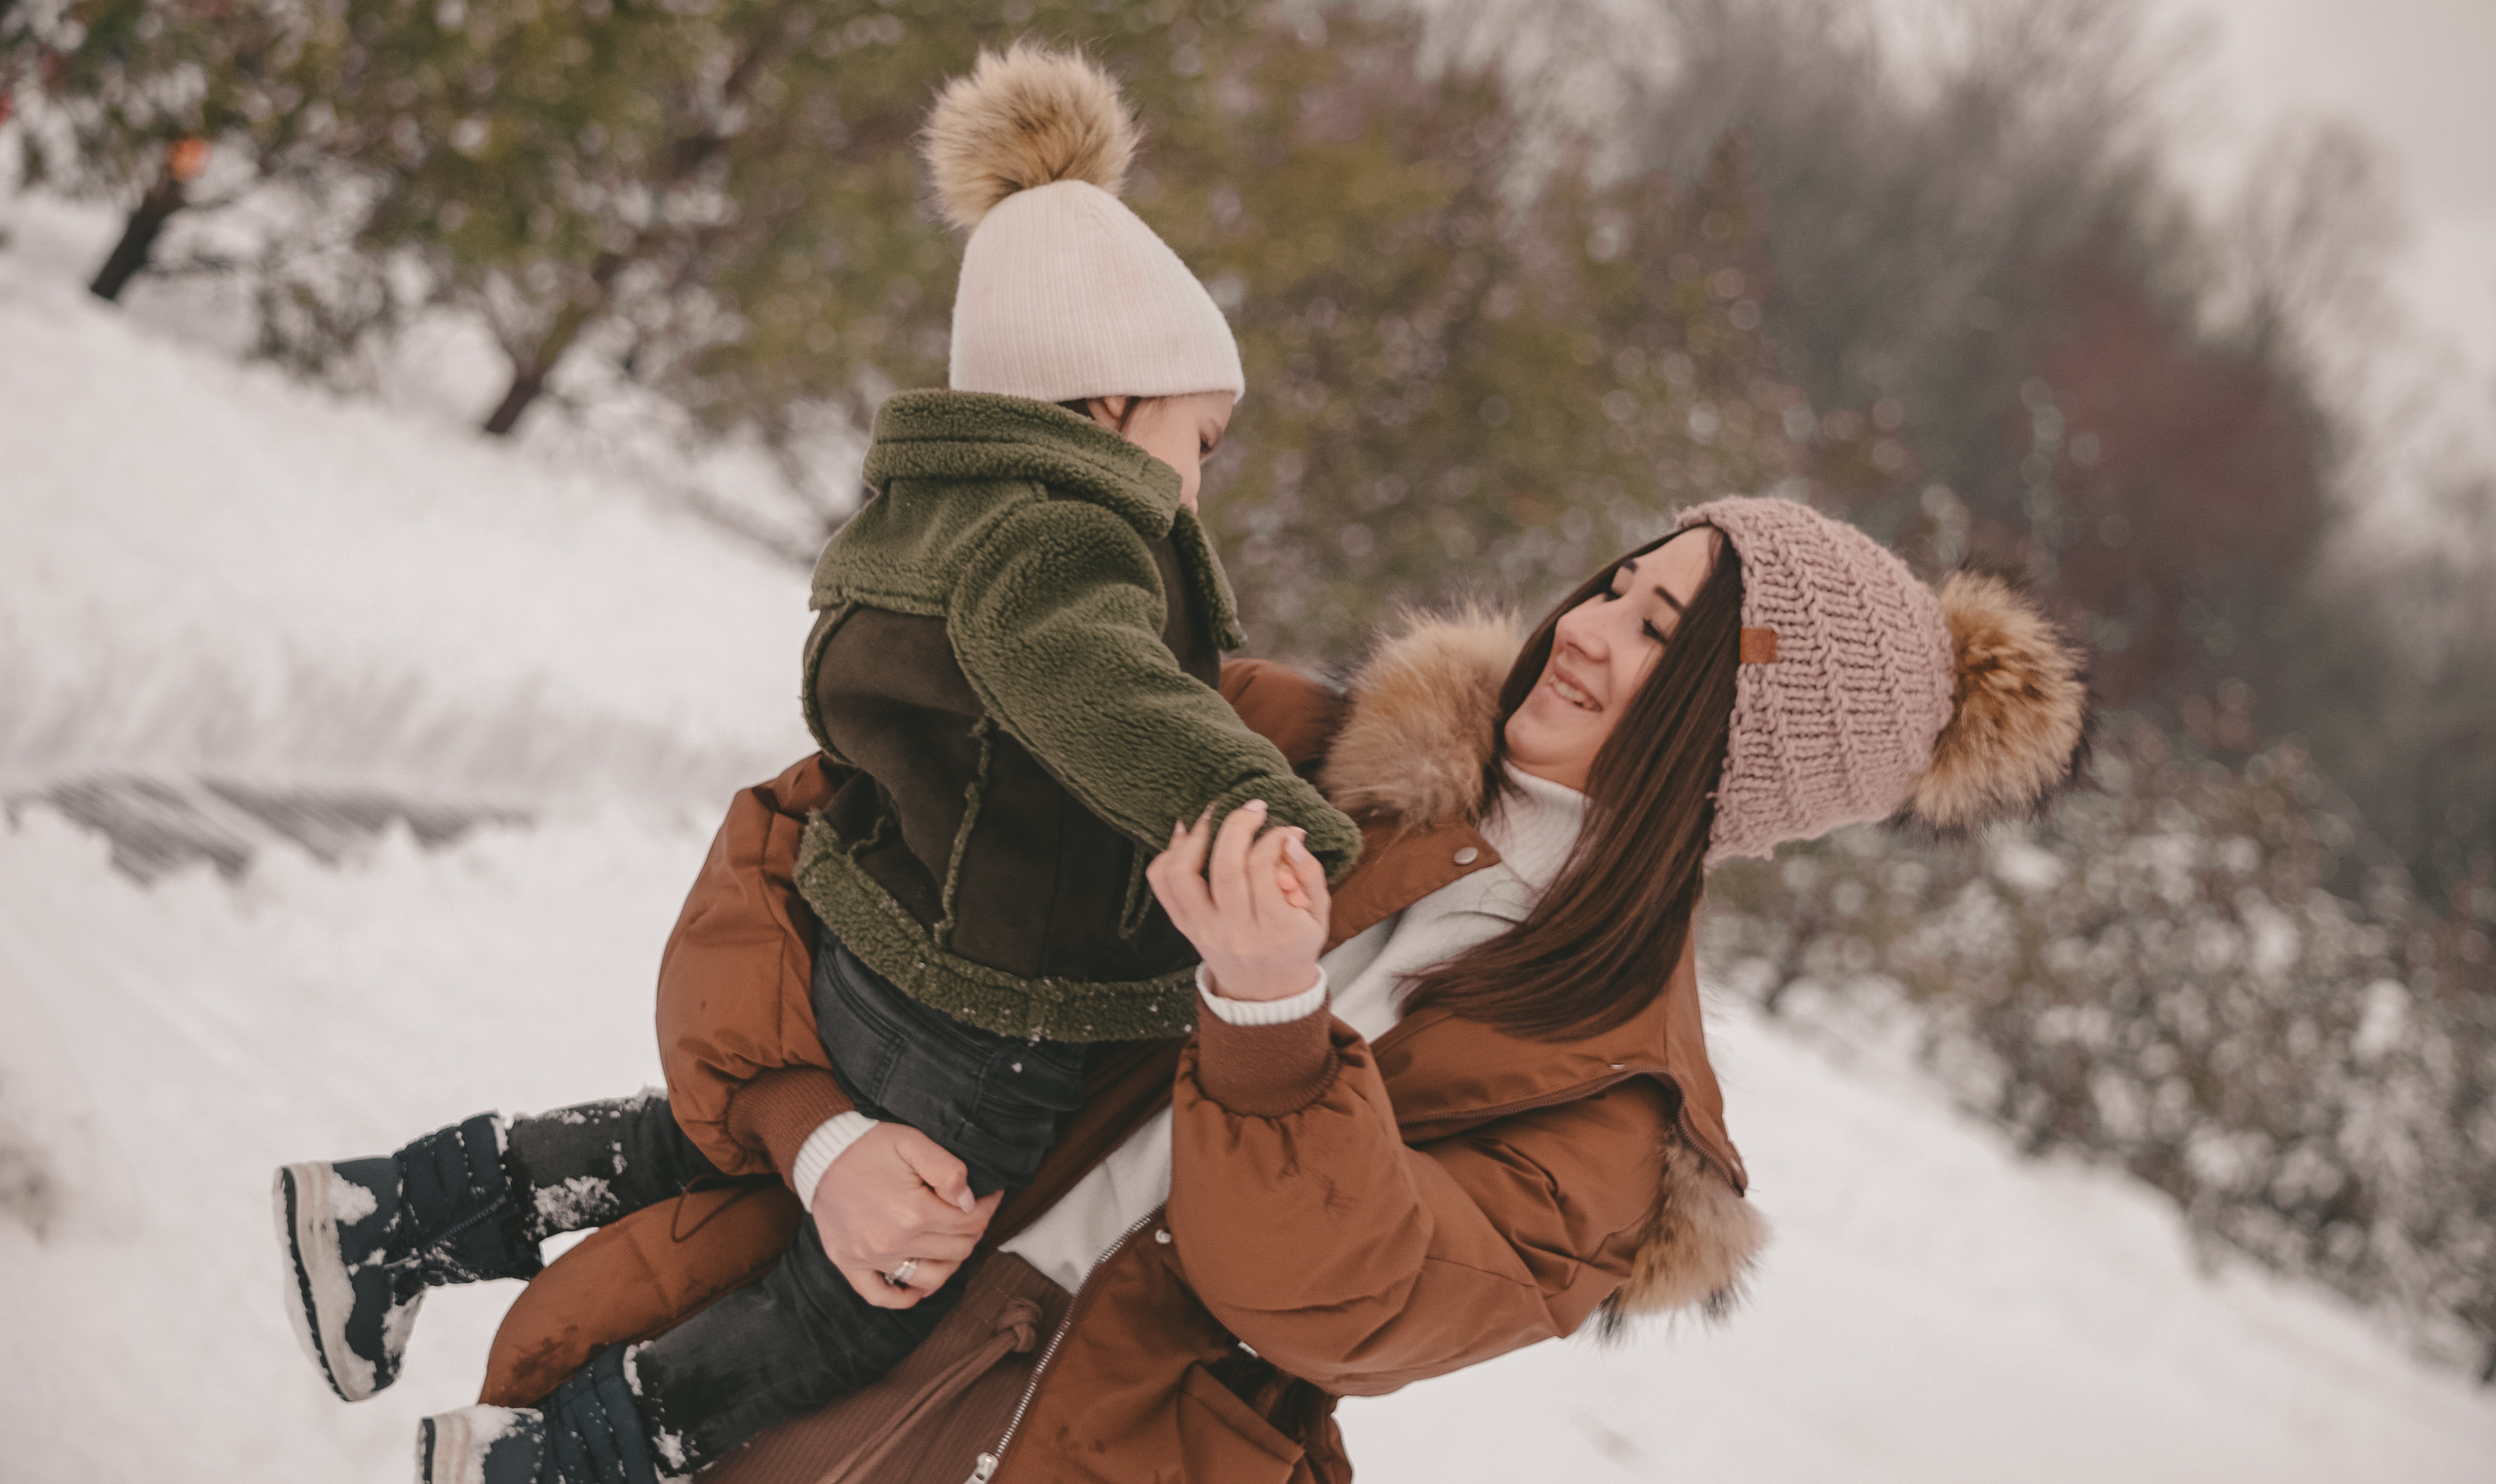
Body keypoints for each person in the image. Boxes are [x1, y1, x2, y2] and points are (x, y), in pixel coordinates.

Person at [340, 493, 2087, 1484]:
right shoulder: (1284, 747)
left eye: (1661, 639)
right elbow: (842, 815)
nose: (1590, 630)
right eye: (1619, 585)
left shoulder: (1617, 1118)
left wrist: (1268, 1017)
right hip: (778, 1361)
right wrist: (808, 1134)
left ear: (1741, 750)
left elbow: (1342, 1304)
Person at [266, 45, 1360, 1482]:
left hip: (877, 950)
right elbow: (1100, 691)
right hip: (993, 1011)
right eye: (1198, 440)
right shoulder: (1068, 537)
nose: (1202, 483)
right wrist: (1276, 825)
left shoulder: (934, 515)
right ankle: (560, 1458)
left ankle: (389, 1214)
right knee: (865, 1302)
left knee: (712, 1146)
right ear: (1106, 409)